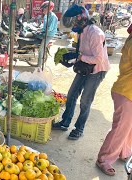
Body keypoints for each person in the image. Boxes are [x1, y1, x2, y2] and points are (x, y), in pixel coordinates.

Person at [52, 5, 110, 140]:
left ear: (81, 19)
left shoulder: (95, 33)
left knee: (85, 100)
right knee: (71, 95)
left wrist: (79, 58)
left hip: (97, 70)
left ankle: (79, 128)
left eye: (73, 22)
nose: (72, 25)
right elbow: (83, 52)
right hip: (85, 66)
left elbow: (98, 58)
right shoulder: (81, 31)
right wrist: (71, 58)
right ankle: (65, 122)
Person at [96, 24, 132, 176]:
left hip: (127, 91)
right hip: (126, 92)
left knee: (128, 129)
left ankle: (124, 152)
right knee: (120, 129)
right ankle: (104, 159)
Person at [37, 1, 58, 68]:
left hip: (49, 35)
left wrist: (42, 31)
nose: (43, 10)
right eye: (43, 9)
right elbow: (44, 27)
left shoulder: (53, 17)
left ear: (49, 9)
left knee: (40, 50)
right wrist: (39, 30)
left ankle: (39, 67)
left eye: (44, 9)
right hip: (45, 32)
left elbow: (50, 29)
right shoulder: (46, 16)